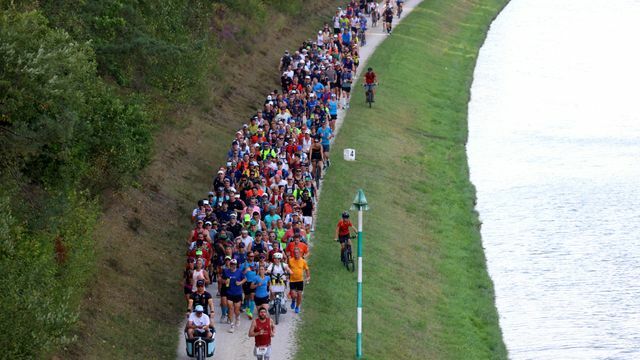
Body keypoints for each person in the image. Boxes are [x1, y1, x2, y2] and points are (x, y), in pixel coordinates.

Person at [222, 258, 246, 333]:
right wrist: (224, 281)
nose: (233, 266)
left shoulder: (239, 272)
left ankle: (238, 317)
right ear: (230, 265)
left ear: (236, 265)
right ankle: (232, 325)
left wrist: (240, 283)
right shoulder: (226, 272)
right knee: (230, 308)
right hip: (229, 293)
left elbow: (245, 279)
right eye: (232, 264)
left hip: (238, 293)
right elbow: (221, 279)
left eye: (234, 264)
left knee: (236, 309)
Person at [288, 247, 310, 314]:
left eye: (297, 253)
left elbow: (307, 269)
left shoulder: (303, 261)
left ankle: (297, 307)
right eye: (295, 253)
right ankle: (293, 300)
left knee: (299, 295)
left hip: (300, 280)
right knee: (293, 295)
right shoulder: (290, 260)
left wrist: (308, 276)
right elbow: (287, 268)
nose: (296, 254)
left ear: (300, 253)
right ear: (293, 253)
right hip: (292, 280)